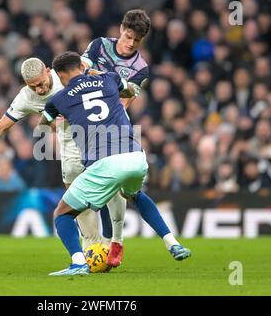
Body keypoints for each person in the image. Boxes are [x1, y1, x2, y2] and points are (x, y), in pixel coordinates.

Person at [40, 52, 191, 276]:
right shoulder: (109, 78)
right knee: (135, 195)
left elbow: (44, 122)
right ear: (82, 66)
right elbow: (129, 90)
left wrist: (61, 119)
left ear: (61, 75)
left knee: (62, 213)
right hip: (136, 156)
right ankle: (173, 243)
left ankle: (79, 262)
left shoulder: (59, 98)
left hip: (104, 161)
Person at [0, 57, 115, 251]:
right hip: (69, 144)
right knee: (76, 192)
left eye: (41, 83)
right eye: (33, 87)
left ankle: (112, 241)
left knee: (108, 188)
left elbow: (92, 67)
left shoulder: (64, 72)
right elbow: (1, 125)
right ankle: (92, 245)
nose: (39, 90)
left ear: (48, 71)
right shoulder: (25, 98)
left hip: (95, 133)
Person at [78, 9, 152, 267]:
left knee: (118, 186)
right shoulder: (98, 46)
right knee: (86, 181)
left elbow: (125, 100)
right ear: (121, 28)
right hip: (83, 121)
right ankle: (92, 243)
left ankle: (116, 242)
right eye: (129, 36)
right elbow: (80, 73)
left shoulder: (140, 68)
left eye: (137, 40)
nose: (131, 43)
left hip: (115, 124)